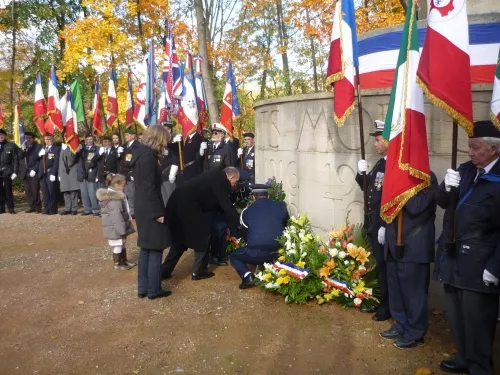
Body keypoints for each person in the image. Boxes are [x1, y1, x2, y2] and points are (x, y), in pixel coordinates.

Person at [436, 120, 500, 375]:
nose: (470, 153)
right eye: (469, 147)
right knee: (458, 316)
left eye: (476, 148)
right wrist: (446, 185)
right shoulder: (464, 171)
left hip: (480, 264)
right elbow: (442, 202)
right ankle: (463, 357)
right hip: (452, 257)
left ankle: (479, 367)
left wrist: (496, 266)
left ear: (494, 149)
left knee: (478, 323)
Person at [378, 170, 438, 349]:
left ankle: (415, 332)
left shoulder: (427, 177)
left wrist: (402, 186)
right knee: (396, 289)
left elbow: (417, 207)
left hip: (414, 243)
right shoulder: (396, 175)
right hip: (393, 241)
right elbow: (387, 204)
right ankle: (401, 323)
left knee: (414, 293)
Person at [162, 167, 241, 280]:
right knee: (203, 236)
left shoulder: (213, 175)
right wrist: (238, 224)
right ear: (231, 176)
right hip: (188, 206)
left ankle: (165, 270)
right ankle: (199, 271)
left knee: (180, 239)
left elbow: (216, 202)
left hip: (175, 201)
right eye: (236, 181)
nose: (235, 184)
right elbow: (226, 205)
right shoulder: (221, 180)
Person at [130, 125, 172, 300]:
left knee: (146, 248)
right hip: (150, 207)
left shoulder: (142, 154)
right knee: (155, 248)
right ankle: (153, 289)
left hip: (142, 205)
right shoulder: (148, 157)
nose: (166, 144)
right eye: (165, 140)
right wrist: (158, 212)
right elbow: (149, 187)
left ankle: (143, 288)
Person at [355, 120, 390, 321]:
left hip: (381, 222)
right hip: (373, 221)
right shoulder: (381, 162)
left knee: (385, 268)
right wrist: (361, 175)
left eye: (377, 140)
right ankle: (380, 301)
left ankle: (386, 307)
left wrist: (384, 225)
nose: (374, 144)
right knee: (379, 266)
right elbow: (368, 188)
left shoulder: (392, 163)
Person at [229, 184, 289, 289]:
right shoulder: (281, 206)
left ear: (253, 197)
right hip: (278, 253)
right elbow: (285, 226)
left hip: (255, 253)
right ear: (268, 196)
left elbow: (245, 235)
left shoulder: (246, 212)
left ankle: (247, 276)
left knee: (233, 256)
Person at [96, 173, 136, 270]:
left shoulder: (116, 196)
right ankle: (118, 264)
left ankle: (123, 261)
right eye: (123, 185)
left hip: (116, 226)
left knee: (122, 243)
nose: (125, 186)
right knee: (117, 244)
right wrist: (121, 230)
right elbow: (116, 217)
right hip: (115, 228)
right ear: (117, 185)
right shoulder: (114, 199)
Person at [77, 134, 102, 216]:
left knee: (92, 192)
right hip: (82, 174)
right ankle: (87, 209)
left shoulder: (96, 149)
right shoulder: (81, 149)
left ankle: (95, 209)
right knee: (84, 193)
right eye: (87, 139)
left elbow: (98, 162)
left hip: (92, 173)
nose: (89, 141)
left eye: (90, 139)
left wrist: (97, 175)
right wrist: (78, 149)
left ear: (93, 140)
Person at [19, 131, 43, 213]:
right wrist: (22, 149)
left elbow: (40, 160)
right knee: (28, 190)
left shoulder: (38, 146)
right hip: (25, 171)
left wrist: (35, 169)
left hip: (33, 171)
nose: (28, 139)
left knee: (35, 190)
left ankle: (38, 207)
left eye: (30, 138)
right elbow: (20, 157)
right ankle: (31, 206)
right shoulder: (24, 146)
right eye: (26, 138)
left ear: (33, 139)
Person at [38, 133, 60, 215]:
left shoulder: (56, 149)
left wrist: (53, 173)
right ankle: (47, 208)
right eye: (46, 139)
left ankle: (53, 209)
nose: (47, 141)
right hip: (43, 174)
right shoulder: (43, 148)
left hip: (50, 173)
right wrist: (39, 155)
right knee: (45, 192)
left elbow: (56, 162)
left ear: (53, 140)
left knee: (52, 192)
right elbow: (39, 161)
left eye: (49, 139)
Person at [159, 121, 179, 205]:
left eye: (166, 129)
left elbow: (175, 158)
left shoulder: (174, 140)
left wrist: (173, 173)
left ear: (170, 130)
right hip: (161, 174)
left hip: (169, 172)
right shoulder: (161, 141)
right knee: (164, 197)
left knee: (171, 196)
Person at [0, 129, 19, 214]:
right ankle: (1, 208)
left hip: (7, 171)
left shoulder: (11, 145)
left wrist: (15, 171)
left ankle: (11, 208)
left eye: (2, 135)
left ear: (5, 136)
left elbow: (15, 159)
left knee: (8, 190)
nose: (1, 137)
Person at [58, 142, 80, 215]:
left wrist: (66, 150)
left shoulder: (73, 147)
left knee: (73, 191)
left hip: (72, 171)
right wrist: (59, 174)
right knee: (66, 191)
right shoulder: (63, 147)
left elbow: (73, 158)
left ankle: (74, 208)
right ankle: (67, 208)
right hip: (63, 173)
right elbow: (60, 162)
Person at [123, 128, 141, 219]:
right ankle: (132, 211)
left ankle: (138, 211)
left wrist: (133, 172)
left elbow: (137, 159)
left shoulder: (137, 145)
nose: (126, 136)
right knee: (128, 193)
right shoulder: (125, 146)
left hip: (133, 171)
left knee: (134, 193)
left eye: (128, 135)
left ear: (133, 136)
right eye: (125, 135)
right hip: (126, 172)